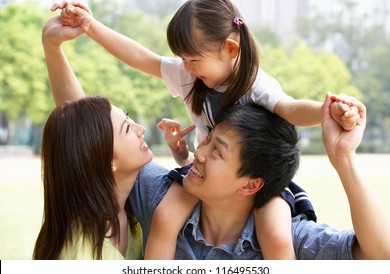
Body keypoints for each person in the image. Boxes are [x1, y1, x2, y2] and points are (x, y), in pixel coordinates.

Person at [42, 10, 390, 260]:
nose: (201, 152)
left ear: (230, 48)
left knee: (275, 236)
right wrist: (87, 29)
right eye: (207, 141)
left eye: (218, 149)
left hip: (272, 189)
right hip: (202, 188)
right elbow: (86, 134)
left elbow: (290, 107)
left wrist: (328, 119)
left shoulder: (257, 87)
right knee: (166, 216)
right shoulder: (159, 193)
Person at [33, 18, 153, 259]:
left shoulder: (126, 208)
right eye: (127, 129)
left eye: (129, 118)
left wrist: (52, 46)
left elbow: (80, 126)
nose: (140, 129)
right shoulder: (82, 251)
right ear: (108, 161)